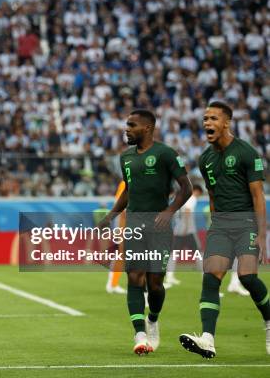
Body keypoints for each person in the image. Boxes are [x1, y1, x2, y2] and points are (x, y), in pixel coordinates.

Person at [179, 100, 269, 358]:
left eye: (213, 119)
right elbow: (213, 195)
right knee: (211, 277)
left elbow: (258, 195)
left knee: (247, 277)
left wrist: (262, 235)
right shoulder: (205, 158)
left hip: (246, 225)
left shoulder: (246, 152)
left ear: (226, 123)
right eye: (205, 119)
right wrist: (215, 225)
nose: (207, 123)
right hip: (220, 226)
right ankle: (207, 338)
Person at [99, 109, 192, 355]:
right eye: (126, 124)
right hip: (135, 226)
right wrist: (111, 216)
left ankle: (153, 319)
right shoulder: (126, 157)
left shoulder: (166, 154)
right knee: (134, 277)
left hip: (159, 227)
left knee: (156, 284)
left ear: (147, 128)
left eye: (132, 125)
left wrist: (169, 211)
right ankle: (140, 334)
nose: (126, 129)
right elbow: (129, 190)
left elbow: (187, 188)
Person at [165, 184, 204, 287]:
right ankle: (205, 276)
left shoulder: (181, 199)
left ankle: (169, 277)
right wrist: (186, 227)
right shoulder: (192, 198)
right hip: (188, 231)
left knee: (174, 253)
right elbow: (187, 210)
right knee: (198, 253)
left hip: (178, 230)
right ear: (197, 191)